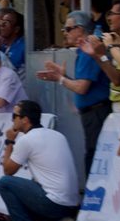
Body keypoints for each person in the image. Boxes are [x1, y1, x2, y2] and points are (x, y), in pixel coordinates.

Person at [0, 100, 81, 221]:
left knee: (5, 183)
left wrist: (9, 141)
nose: (12, 120)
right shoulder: (57, 135)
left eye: (14, 115)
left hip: (54, 203)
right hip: (71, 205)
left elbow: (8, 170)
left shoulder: (27, 140)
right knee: (31, 183)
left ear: (25, 119)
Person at [35, 11, 110, 174]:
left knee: (94, 156)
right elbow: (82, 85)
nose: (65, 33)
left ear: (81, 29)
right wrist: (62, 77)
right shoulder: (84, 50)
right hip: (92, 112)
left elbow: (82, 87)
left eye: (68, 29)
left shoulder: (88, 51)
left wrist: (60, 78)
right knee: (92, 154)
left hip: (97, 112)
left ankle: (93, 198)